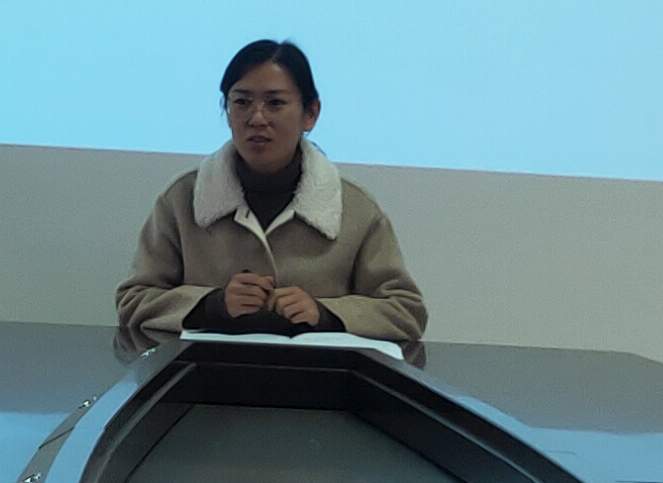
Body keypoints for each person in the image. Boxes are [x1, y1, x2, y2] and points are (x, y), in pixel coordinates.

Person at [116, 36, 430, 348]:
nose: (257, 118)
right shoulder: (182, 199)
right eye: (241, 102)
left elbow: (406, 312)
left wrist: (325, 314)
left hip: (319, 375)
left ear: (311, 113)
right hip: (203, 373)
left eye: (275, 103)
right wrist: (212, 305)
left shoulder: (355, 208)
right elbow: (134, 300)